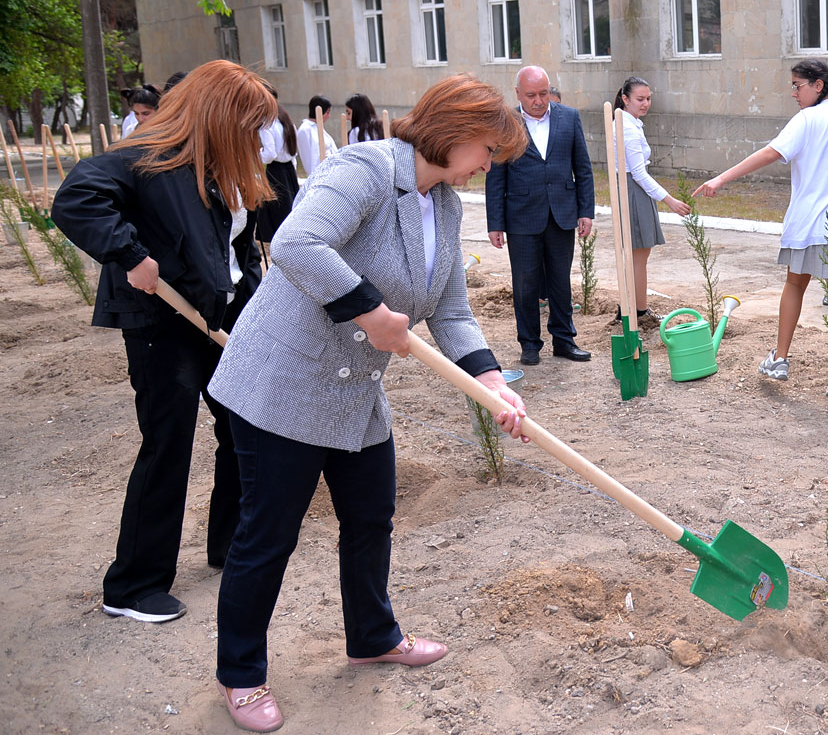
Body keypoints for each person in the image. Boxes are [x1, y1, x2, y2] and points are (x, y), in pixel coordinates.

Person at [206, 74, 531, 732]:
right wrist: (369, 310)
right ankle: (240, 674)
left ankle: (372, 636)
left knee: (370, 517)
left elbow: (451, 310)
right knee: (268, 534)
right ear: (458, 133)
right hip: (284, 381)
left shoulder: (444, 206)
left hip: (355, 390)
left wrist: (491, 380)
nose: (488, 167)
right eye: (488, 152)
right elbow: (297, 243)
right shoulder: (366, 169)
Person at [51, 60, 273, 625]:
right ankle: (134, 585)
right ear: (218, 114)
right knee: (169, 442)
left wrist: (253, 309)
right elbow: (76, 199)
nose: (256, 135)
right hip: (162, 322)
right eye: (249, 122)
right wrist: (130, 254)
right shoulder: (148, 156)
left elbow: (236, 251)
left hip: (218, 317)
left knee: (240, 428)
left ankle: (230, 543)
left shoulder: (224, 167)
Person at [695, 60, 828, 399]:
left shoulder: (806, 120)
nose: (794, 93)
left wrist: (721, 179)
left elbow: (770, 153)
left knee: (795, 284)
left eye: (798, 85)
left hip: (809, 224)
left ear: (818, 85)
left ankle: (780, 359)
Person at [484, 65, 595, 366]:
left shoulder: (569, 118)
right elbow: (496, 177)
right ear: (518, 93)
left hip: (561, 213)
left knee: (560, 281)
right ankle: (529, 344)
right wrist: (495, 223)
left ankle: (564, 340)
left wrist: (586, 211)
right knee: (525, 284)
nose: (538, 101)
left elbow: (583, 169)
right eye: (531, 95)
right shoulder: (505, 123)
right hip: (521, 217)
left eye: (543, 94)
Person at [612, 76, 691, 325]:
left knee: (638, 256)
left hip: (633, 189)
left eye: (648, 98)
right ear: (625, 99)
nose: (646, 103)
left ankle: (633, 309)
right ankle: (637, 312)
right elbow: (638, 173)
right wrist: (670, 201)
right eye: (640, 99)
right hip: (633, 191)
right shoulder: (626, 128)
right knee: (638, 256)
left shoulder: (631, 122)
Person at [256, 93, 299, 244]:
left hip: (276, 173)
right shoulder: (286, 119)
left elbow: (270, 154)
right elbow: (293, 153)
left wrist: (255, 157)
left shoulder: (267, 123)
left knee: (278, 217)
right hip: (289, 171)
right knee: (290, 212)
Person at [295, 96, 339, 178]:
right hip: (320, 175)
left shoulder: (318, 127)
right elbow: (308, 158)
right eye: (327, 112)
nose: (329, 116)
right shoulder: (305, 130)